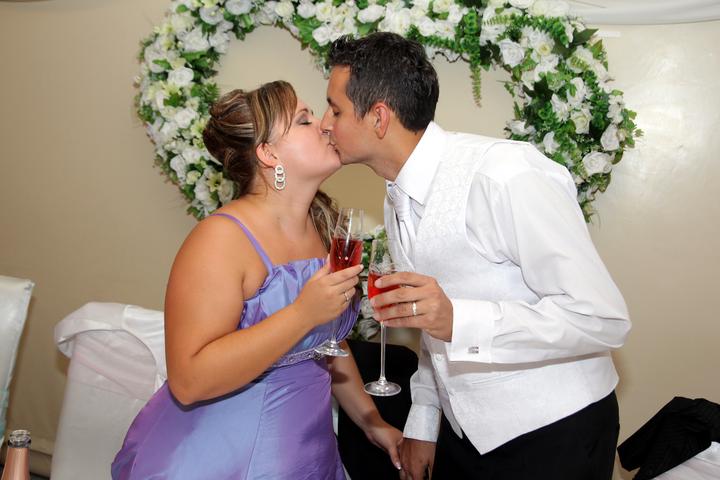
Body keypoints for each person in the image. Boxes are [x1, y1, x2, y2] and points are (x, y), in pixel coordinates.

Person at [321, 33, 631, 480]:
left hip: (554, 435)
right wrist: (424, 422)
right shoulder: (396, 194)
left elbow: (602, 318)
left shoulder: (504, 176)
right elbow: (432, 329)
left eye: (335, 110)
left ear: (379, 117)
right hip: (463, 435)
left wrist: (460, 319)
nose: (325, 124)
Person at [111, 80, 403, 479]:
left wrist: (372, 422)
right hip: (229, 455)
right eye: (304, 120)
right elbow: (189, 380)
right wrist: (302, 313)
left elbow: (326, 345)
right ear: (268, 153)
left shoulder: (322, 228)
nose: (324, 124)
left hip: (306, 452)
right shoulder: (221, 239)